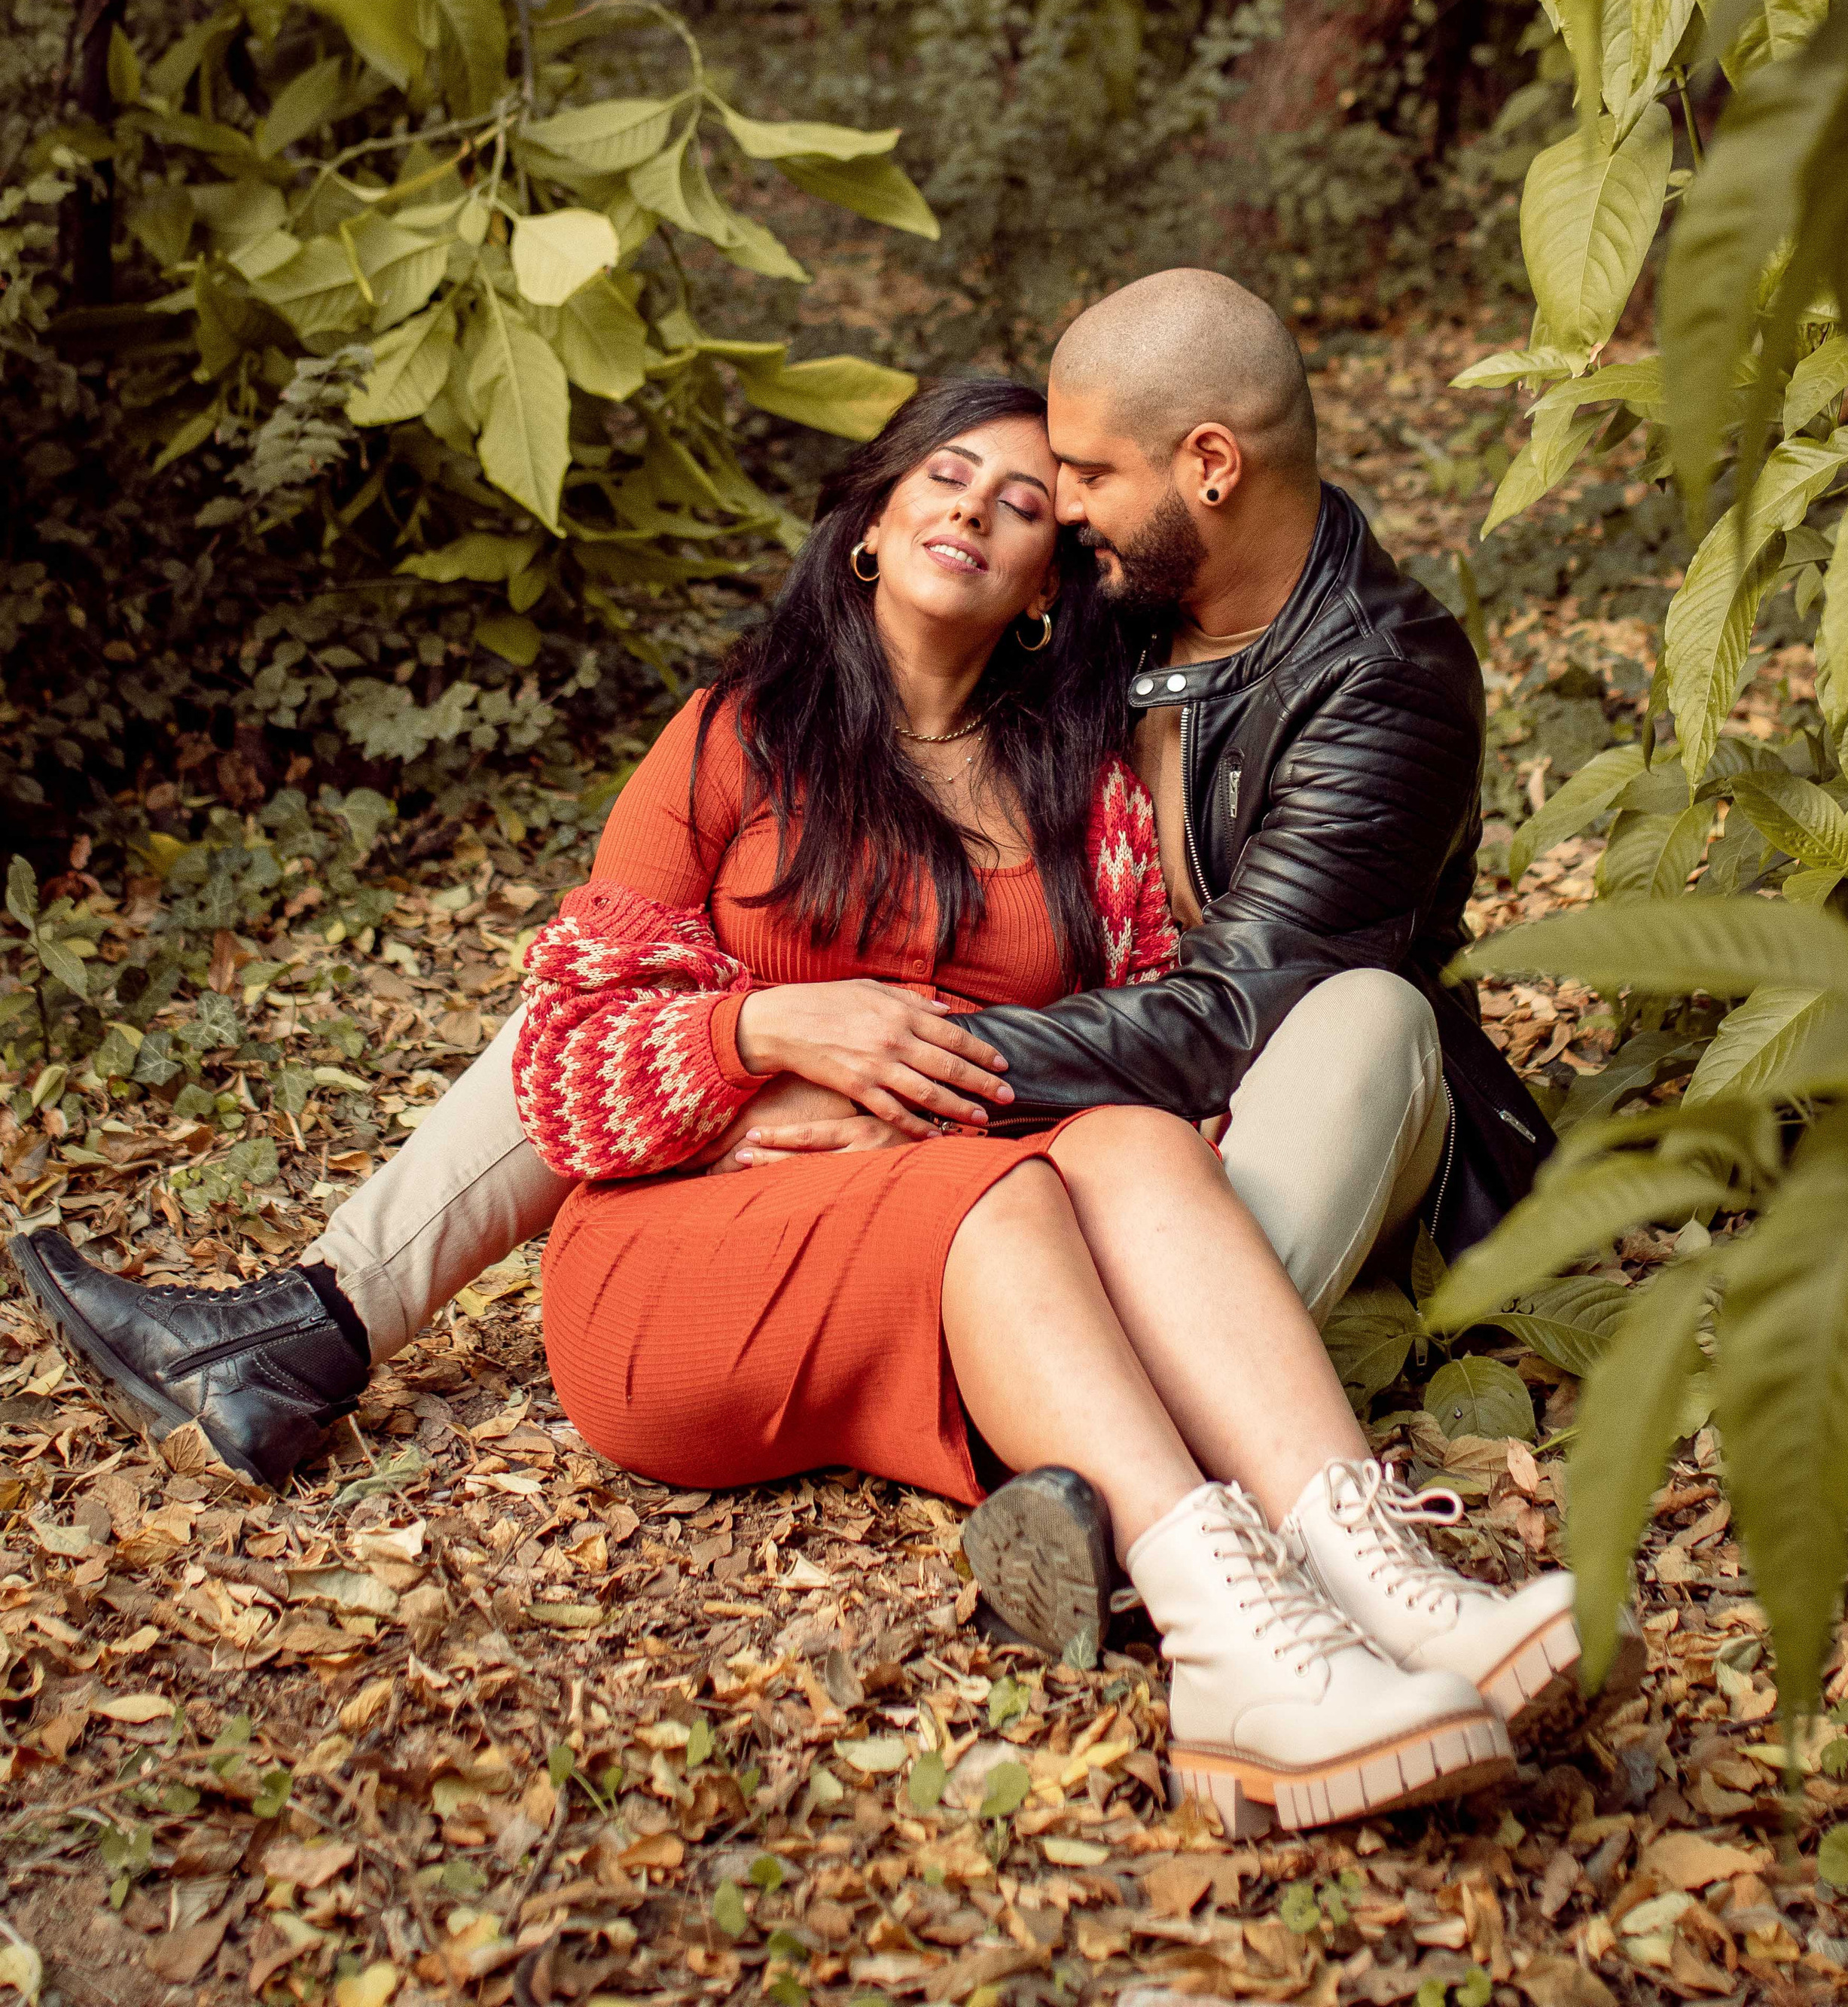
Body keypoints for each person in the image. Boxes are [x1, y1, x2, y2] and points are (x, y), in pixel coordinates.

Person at [12, 278, 1563, 1670]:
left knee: (1316, 1040)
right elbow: (593, 1021)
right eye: (967, 482)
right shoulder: (955, 658)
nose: (1044, 511)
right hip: (986, 1133)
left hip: (1206, 1113)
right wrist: (761, 1040)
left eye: (1062, 487)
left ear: (1187, 483)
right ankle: (313, 1320)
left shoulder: (1324, 684)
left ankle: (1145, 1493)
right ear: (872, 521)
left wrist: (898, 1075)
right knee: (631, 995)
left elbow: (1219, 1012)